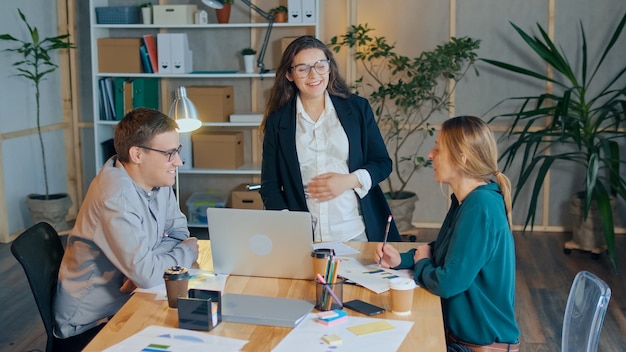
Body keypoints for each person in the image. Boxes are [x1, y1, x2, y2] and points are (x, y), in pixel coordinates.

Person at [53, 108, 199, 351]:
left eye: (178, 151)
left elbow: (177, 233)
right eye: (169, 153)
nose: (178, 162)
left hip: (132, 299)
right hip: (91, 325)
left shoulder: (157, 180)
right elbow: (153, 272)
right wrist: (186, 253)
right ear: (137, 154)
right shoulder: (115, 197)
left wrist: (147, 265)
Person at [376, 115, 520, 351]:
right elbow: (443, 251)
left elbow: (448, 283)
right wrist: (401, 259)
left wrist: (421, 263)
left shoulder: (481, 206)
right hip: (459, 340)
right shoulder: (466, 202)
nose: (431, 155)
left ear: (461, 159)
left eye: (438, 148)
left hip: (473, 347)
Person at [259, 35, 400, 243]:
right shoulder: (277, 122)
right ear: (290, 74)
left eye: (320, 65)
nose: (313, 75)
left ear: (330, 67)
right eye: (303, 68)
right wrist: (289, 227)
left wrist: (348, 181)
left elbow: (382, 163)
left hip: (356, 230)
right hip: (305, 236)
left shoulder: (357, 108)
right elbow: (270, 185)